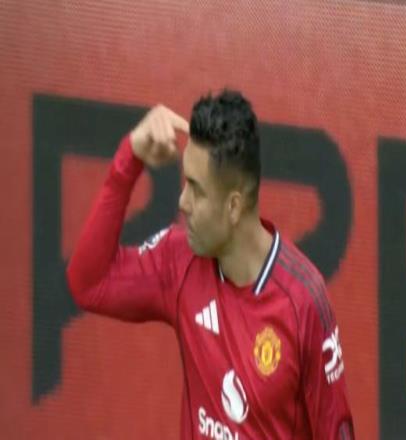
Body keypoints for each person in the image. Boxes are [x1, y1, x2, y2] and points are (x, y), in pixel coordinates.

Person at [66, 89, 354, 439]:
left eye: (196, 189)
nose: (182, 201)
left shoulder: (303, 301)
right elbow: (89, 284)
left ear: (233, 206)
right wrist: (130, 158)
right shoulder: (179, 259)